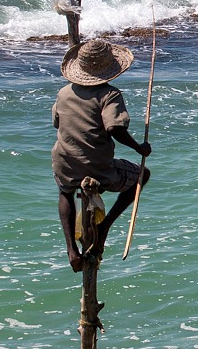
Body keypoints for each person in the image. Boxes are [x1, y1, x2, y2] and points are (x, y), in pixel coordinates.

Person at [52, 39, 151, 271]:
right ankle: (104, 227)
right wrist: (139, 148)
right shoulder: (110, 94)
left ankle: (71, 250)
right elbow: (114, 129)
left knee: (65, 192)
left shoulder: (64, 92)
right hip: (97, 169)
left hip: (64, 163)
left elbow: (57, 122)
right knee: (142, 175)